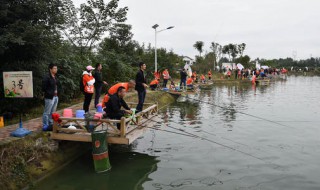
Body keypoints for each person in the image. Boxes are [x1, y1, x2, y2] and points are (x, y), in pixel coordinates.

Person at [42, 63, 59, 131]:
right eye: (54, 68)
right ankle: (45, 125)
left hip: (55, 96)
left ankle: (51, 123)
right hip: (49, 97)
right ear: (50, 69)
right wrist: (49, 93)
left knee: (53, 112)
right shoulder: (47, 77)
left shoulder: (55, 77)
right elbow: (44, 87)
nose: (56, 69)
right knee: (47, 112)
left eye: (56, 68)